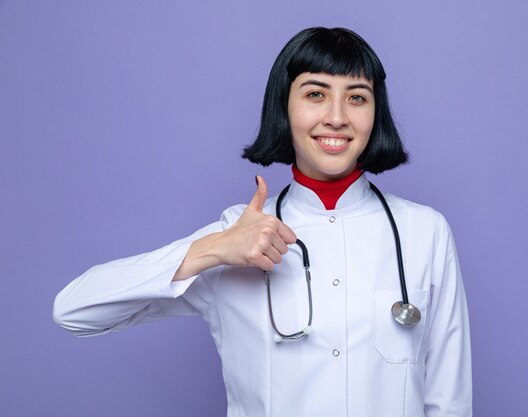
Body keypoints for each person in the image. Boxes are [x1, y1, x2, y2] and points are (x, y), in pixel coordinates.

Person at [54, 27, 472, 417]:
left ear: (375, 113)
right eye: (315, 94)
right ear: (283, 107)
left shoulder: (424, 231)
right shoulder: (238, 233)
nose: (337, 117)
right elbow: (73, 310)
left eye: (357, 97)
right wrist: (212, 250)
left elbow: (448, 399)